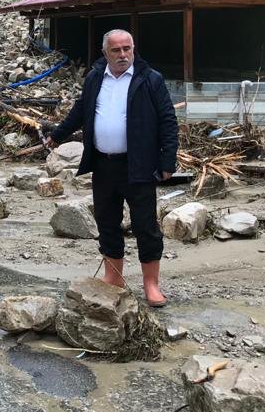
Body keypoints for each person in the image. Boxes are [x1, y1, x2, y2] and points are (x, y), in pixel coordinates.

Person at [44, 29, 179, 306]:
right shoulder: (95, 78)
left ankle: (151, 284)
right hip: (104, 164)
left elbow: (168, 121)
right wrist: (57, 135)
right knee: (107, 222)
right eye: (116, 50)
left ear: (133, 49)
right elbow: (80, 112)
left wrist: (167, 161)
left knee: (145, 226)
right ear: (105, 53)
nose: (123, 55)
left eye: (127, 48)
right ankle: (113, 276)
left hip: (139, 165)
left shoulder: (150, 79)